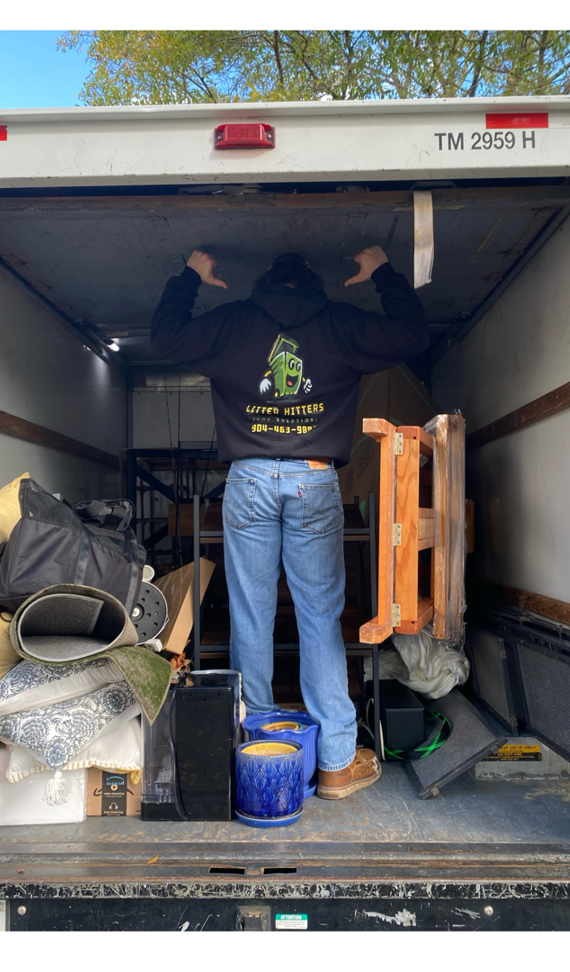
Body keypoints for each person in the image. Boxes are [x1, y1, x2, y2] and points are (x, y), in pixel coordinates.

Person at [151, 246, 428, 799]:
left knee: (250, 616)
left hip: (247, 479)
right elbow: (410, 334)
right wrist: (382, 275)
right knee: (319, 618)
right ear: (317, 285)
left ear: (261, 286)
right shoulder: (339, 323)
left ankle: (257, 751)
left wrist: (191, 276)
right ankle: (335, 763)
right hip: (313, 478)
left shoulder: (233, 322)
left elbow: (165, 336)